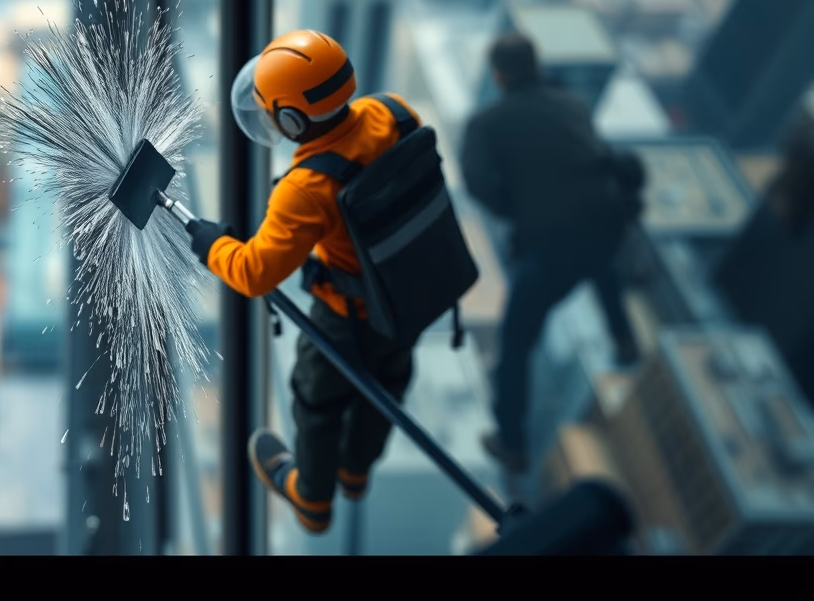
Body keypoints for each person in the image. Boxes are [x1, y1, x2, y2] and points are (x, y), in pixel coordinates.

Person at [183, 29, 424, 534]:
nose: (267, 117)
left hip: (349, 317)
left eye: (272, 111)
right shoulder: (394, 113)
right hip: (410, 294)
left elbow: (254, 273)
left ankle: (312, 499)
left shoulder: (307, 188)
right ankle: (355, 471)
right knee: (385, 385)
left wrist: (211, 245)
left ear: (292, 121)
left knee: (317, 400)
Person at [459, 32, 643, 476]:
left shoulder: (486, 124)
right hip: (606, 223)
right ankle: (624, 339)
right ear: (536, 65)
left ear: (499, 76)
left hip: (551, 246)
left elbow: (478, 184)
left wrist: (516, 208)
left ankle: (512, 443)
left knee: (516, 345)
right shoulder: (572, 103)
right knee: (601, 263)